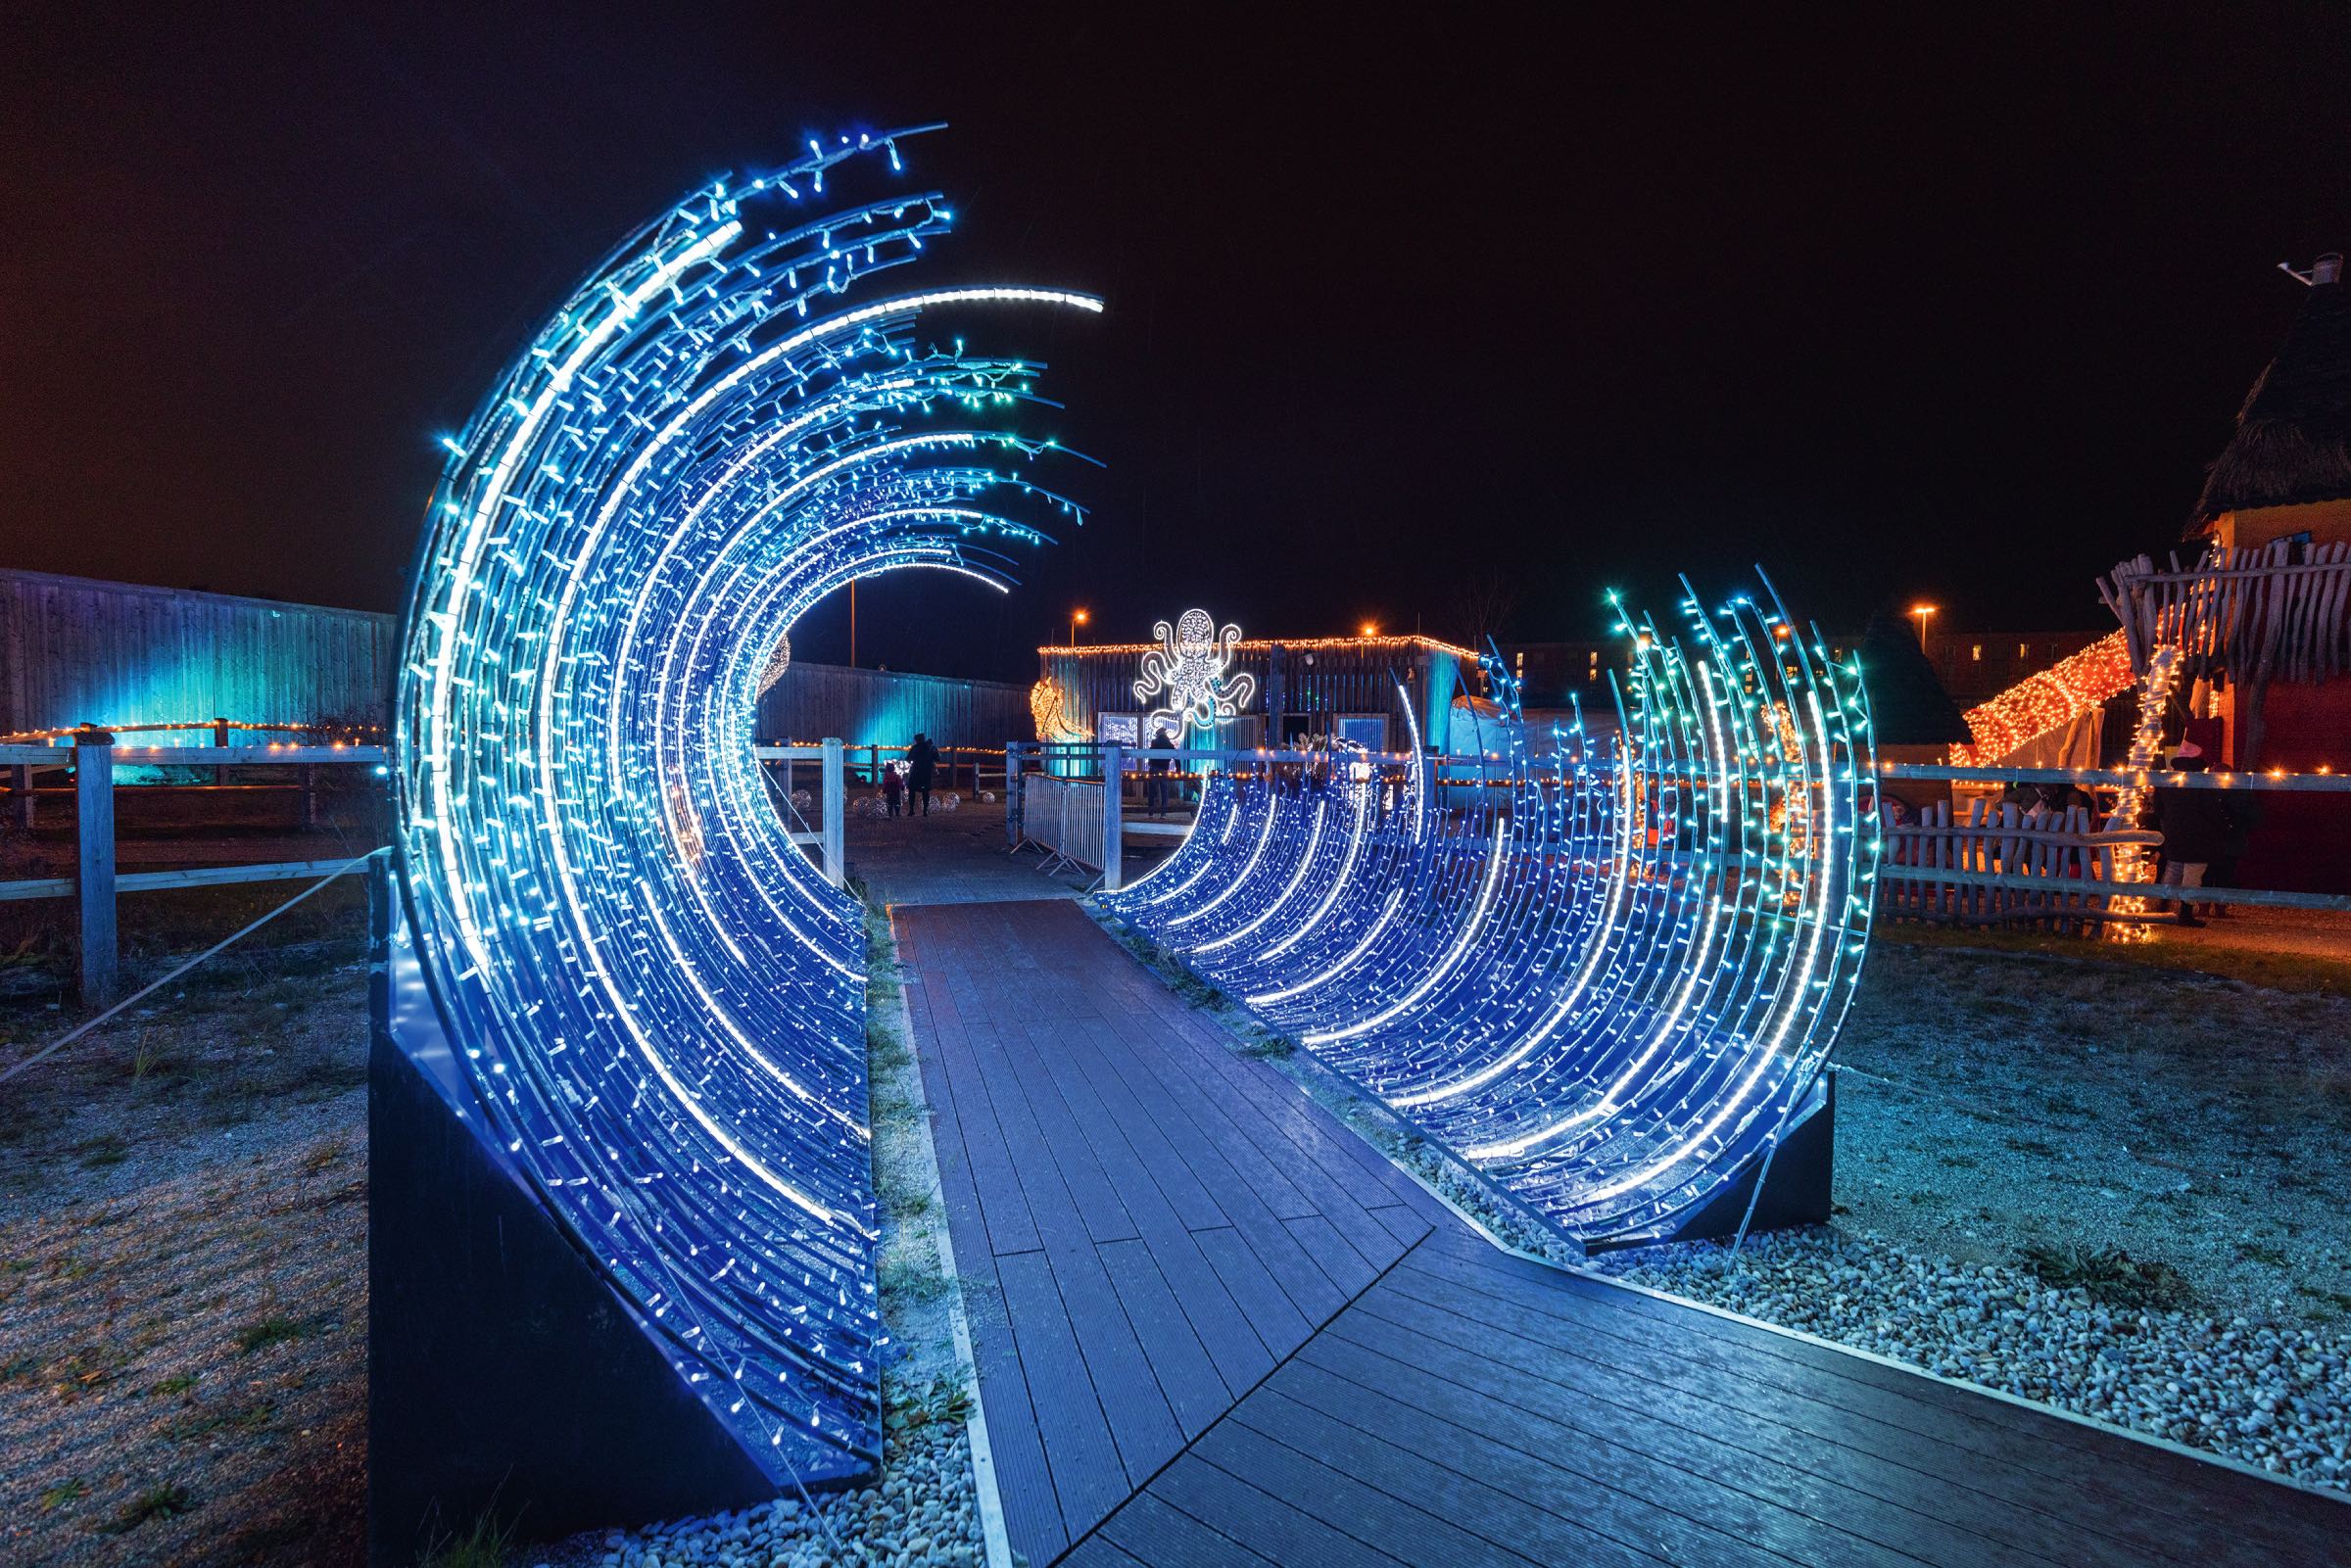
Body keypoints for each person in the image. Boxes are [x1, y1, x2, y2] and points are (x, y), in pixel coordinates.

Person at [2153, 740, 2229, 927]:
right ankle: (2185, 913)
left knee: (2174, 867)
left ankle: (2163, 906)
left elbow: (2158, 808)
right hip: (2197, 834)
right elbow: (2211, 810)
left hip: (2173, 831)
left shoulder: (2166, 783)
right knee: (2193, 873)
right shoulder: (2201, 784)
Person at [906, 733, 939, 817]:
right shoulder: (931, 748)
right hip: (926, 773)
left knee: (912, 791)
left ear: (917, 740)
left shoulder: (915, 748)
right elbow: (938, 758)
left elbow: (908, 758)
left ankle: (911, 810)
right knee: (925, 792)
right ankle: (925, 811)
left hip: (916, 772)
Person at [1146, 725, 1176, 816]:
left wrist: (1150, 764)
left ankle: (1151, 812)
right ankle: (1163, 813)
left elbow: (1150, 754)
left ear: (1158, 734)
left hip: (1154, 768)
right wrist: (1178, 769)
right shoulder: (1169, 744)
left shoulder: (1154, 742)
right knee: (1164, 791)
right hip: (1164, 769)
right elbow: (1176, 756)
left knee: (1152, 790)